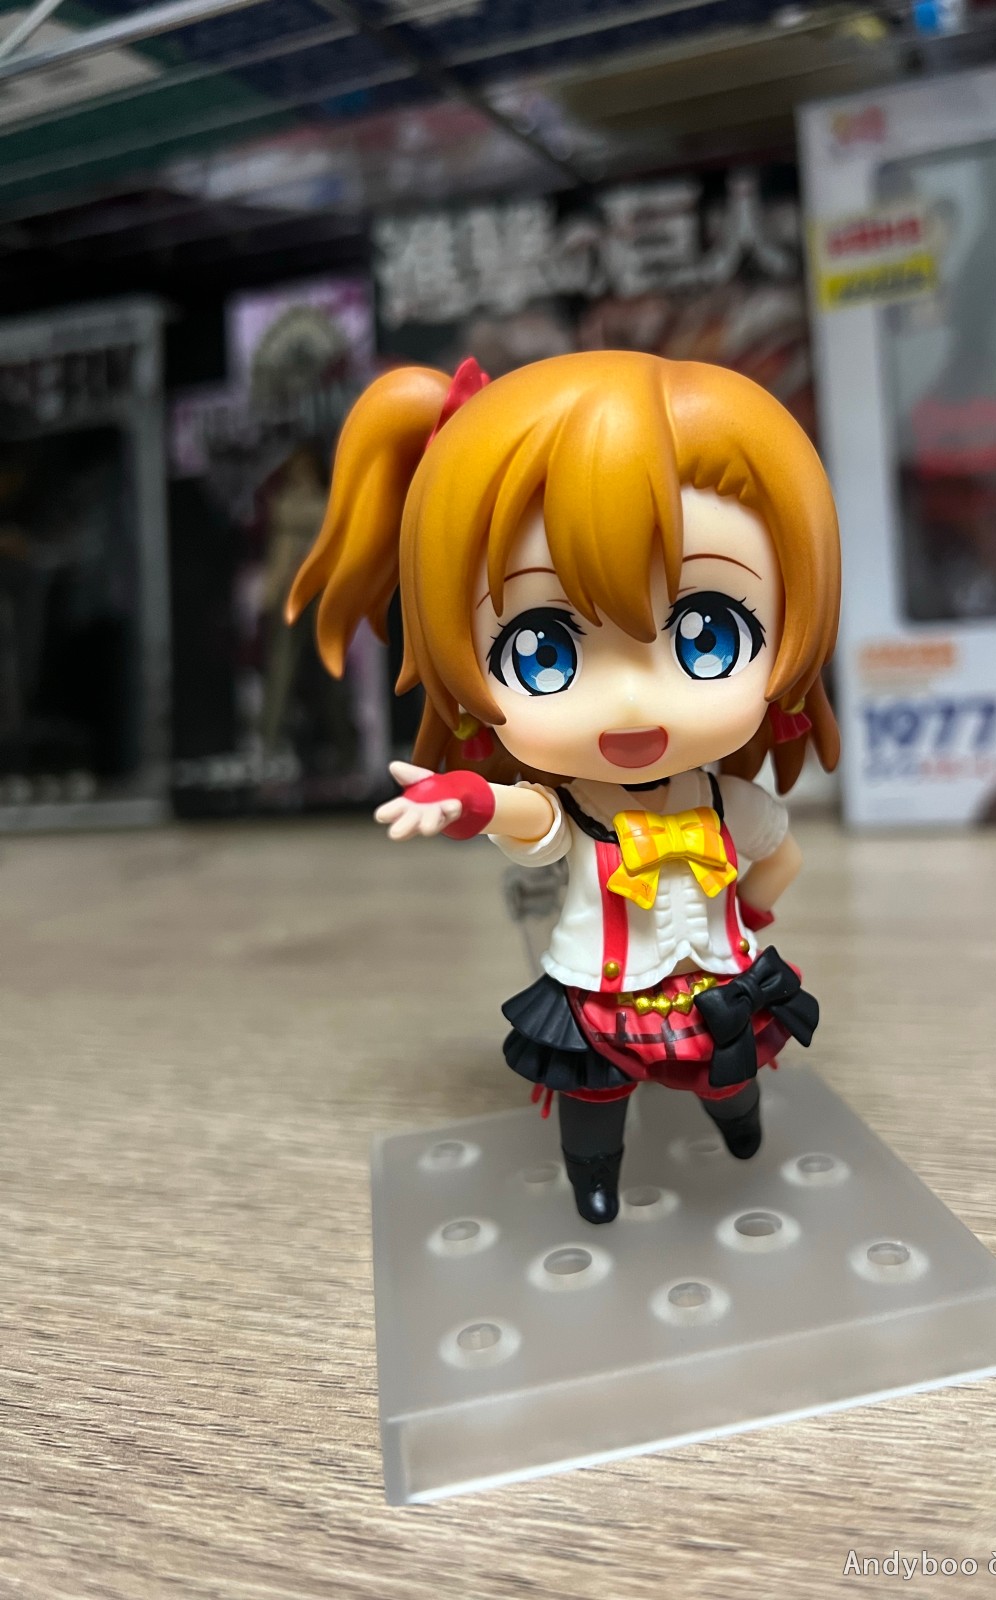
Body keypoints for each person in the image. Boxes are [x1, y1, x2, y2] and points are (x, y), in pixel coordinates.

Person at [286, 350, 841, 1223]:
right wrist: (469, 800)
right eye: (543, 651)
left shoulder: (724, 802)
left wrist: (752, 911)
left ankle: (740, 1129)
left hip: (715, 982)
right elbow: (532, 819)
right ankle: (596, 1179)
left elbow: (781, 853)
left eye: (708, 636)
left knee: (730, 1072)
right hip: (602, 991)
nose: (631, 701)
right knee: (594, 1091)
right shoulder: (580, 807)